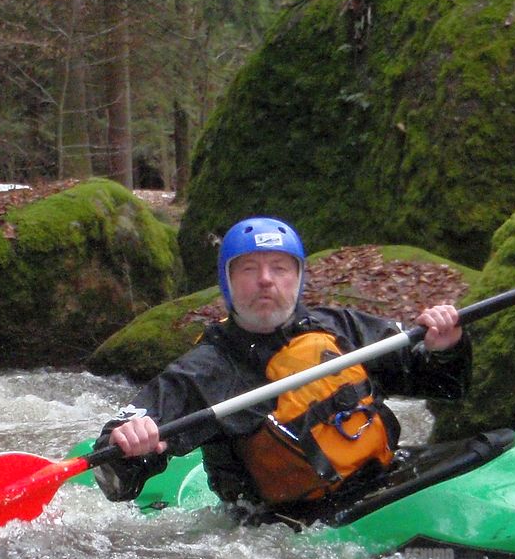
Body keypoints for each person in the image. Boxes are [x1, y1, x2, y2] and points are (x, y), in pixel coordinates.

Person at [93, 216, 472, 525]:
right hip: (288, 524)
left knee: (495, 444)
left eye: (280, 267)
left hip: (383, 478)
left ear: (298, 277)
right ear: (227, 281)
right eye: (248, 269)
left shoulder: (340, 327)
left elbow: (445, 385)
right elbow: (116, 478)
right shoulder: (208, 369)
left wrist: (447, 347)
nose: (265, 279)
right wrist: (127, 445)